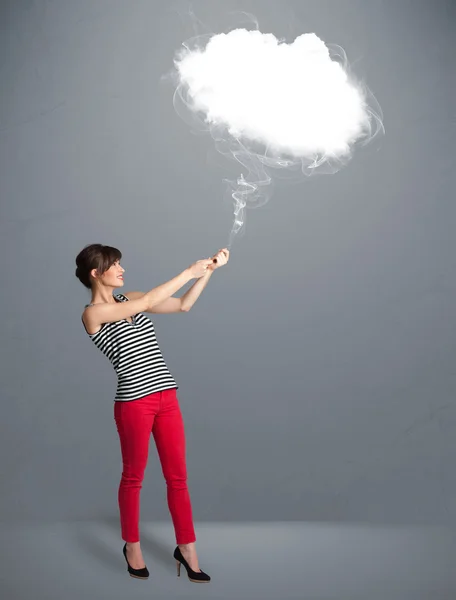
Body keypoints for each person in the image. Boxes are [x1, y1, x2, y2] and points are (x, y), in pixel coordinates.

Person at [75, 243, 229, 583]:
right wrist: (188, 271)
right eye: (115, 264)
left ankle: (187, 550)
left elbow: (184, 305)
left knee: (178, 478)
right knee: (134, 478)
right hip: (133, 403)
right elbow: (145, 303)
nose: (122, 269)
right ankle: (132, 547)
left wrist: (207, 275)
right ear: (95, 274)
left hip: (166, 397)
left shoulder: (130, 296)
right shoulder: (92, 315)